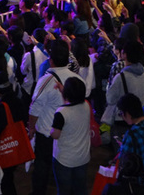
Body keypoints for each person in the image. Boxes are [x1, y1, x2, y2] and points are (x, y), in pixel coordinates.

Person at [27, 39, 84, 195]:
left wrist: (31, 128)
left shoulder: (46, 80)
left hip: (47, 133)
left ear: (51, 59)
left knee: (42, 168)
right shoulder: (77, 79)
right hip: (69, 133)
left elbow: (34, 108)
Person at [50, 77, 90, 195]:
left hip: (65, 160)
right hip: (82, 157)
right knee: (81, 189)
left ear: (67, 93)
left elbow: (55, 135)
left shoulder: (61, 112)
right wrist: (64, 89)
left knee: (64, 191)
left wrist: (50, 130)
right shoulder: (86, 106)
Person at [0, 71, 27, 195]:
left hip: (5, 148)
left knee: (5, 180)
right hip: (16, 145)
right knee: (9, 178)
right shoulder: (18, 101)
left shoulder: (1, 107)